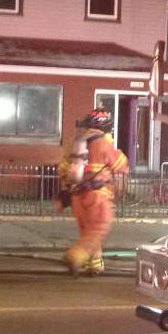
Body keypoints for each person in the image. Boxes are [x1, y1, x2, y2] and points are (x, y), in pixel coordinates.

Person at [58, 108, 128, 276]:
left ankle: (95, 265)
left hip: (77, 197)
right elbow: (122, 165)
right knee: (99, 228)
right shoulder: (103, 143)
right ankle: (75, 256)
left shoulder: (75, 144)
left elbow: (63, 169)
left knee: (88, 232)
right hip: (97, 195)